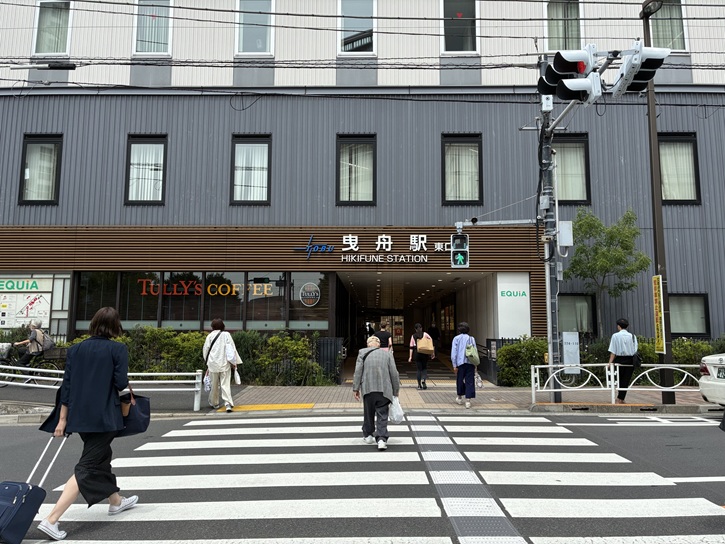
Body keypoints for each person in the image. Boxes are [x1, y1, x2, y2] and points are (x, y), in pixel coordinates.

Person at [37, 307, 138, 541]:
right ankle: (51, 519)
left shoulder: (75, 349)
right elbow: (120, 383)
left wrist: (62, 420)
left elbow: (67, 386)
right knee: (88, 466)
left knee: (101, 457)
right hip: (105, 417)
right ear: (115, 326)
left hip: (80, 417)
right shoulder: (117, 349)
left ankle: (116, 501)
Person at [352, 335, 401, 451]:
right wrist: (396, 391)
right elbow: (394, 373)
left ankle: (368, 435)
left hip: (368, 389)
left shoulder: (362, 353)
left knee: (368, 413)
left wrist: (355, 389)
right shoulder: (387, 354)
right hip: (384, 389)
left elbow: (358, 371)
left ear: (368, 344)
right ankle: (381, 439)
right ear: (379, 345)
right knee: (382, 414)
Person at [203, 318, 241, 412]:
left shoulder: (210, 336)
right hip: (224, 364)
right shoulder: (226, 335)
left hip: (213, 364)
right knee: (225, 384)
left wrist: (208, 363)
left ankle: (214, 402)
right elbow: (232, 349)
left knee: (214, 385)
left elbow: (206, 350)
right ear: (222, 326)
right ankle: (227, 403)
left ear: (212, 326)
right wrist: (234, 362)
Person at [608, 318, 638, 404]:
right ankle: (621, 398)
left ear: (619, 326)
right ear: (627, 326)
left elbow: (613, 351)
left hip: (619, 359)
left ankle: (619, 398)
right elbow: (635, 349)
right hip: (630, 359)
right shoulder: (633, 336)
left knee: (619, 379)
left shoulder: (615, 336)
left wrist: (610, 363)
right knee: (626, 380)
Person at [450, 321, 476, 409]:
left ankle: (460, 397)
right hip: (470, 363)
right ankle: (468, 400)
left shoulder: (456, 339)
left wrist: (454, 365)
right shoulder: (472, 339)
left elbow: (454, 353)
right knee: (470, 381)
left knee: (460, 380)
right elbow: (475, 351)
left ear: (459, 330)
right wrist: (475, 364)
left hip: (460, 363)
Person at [408, 323, 433, 390]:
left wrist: (410, 357)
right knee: (424, 368)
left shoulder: (413, 336)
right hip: (425, 353)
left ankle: (419, 385)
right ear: (421, 328)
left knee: (419, 369)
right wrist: (432, 353)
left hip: (417, 353)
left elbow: (411, 347)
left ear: (415, 329)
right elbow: (430, 342)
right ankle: (423, 380)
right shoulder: (425, 334)